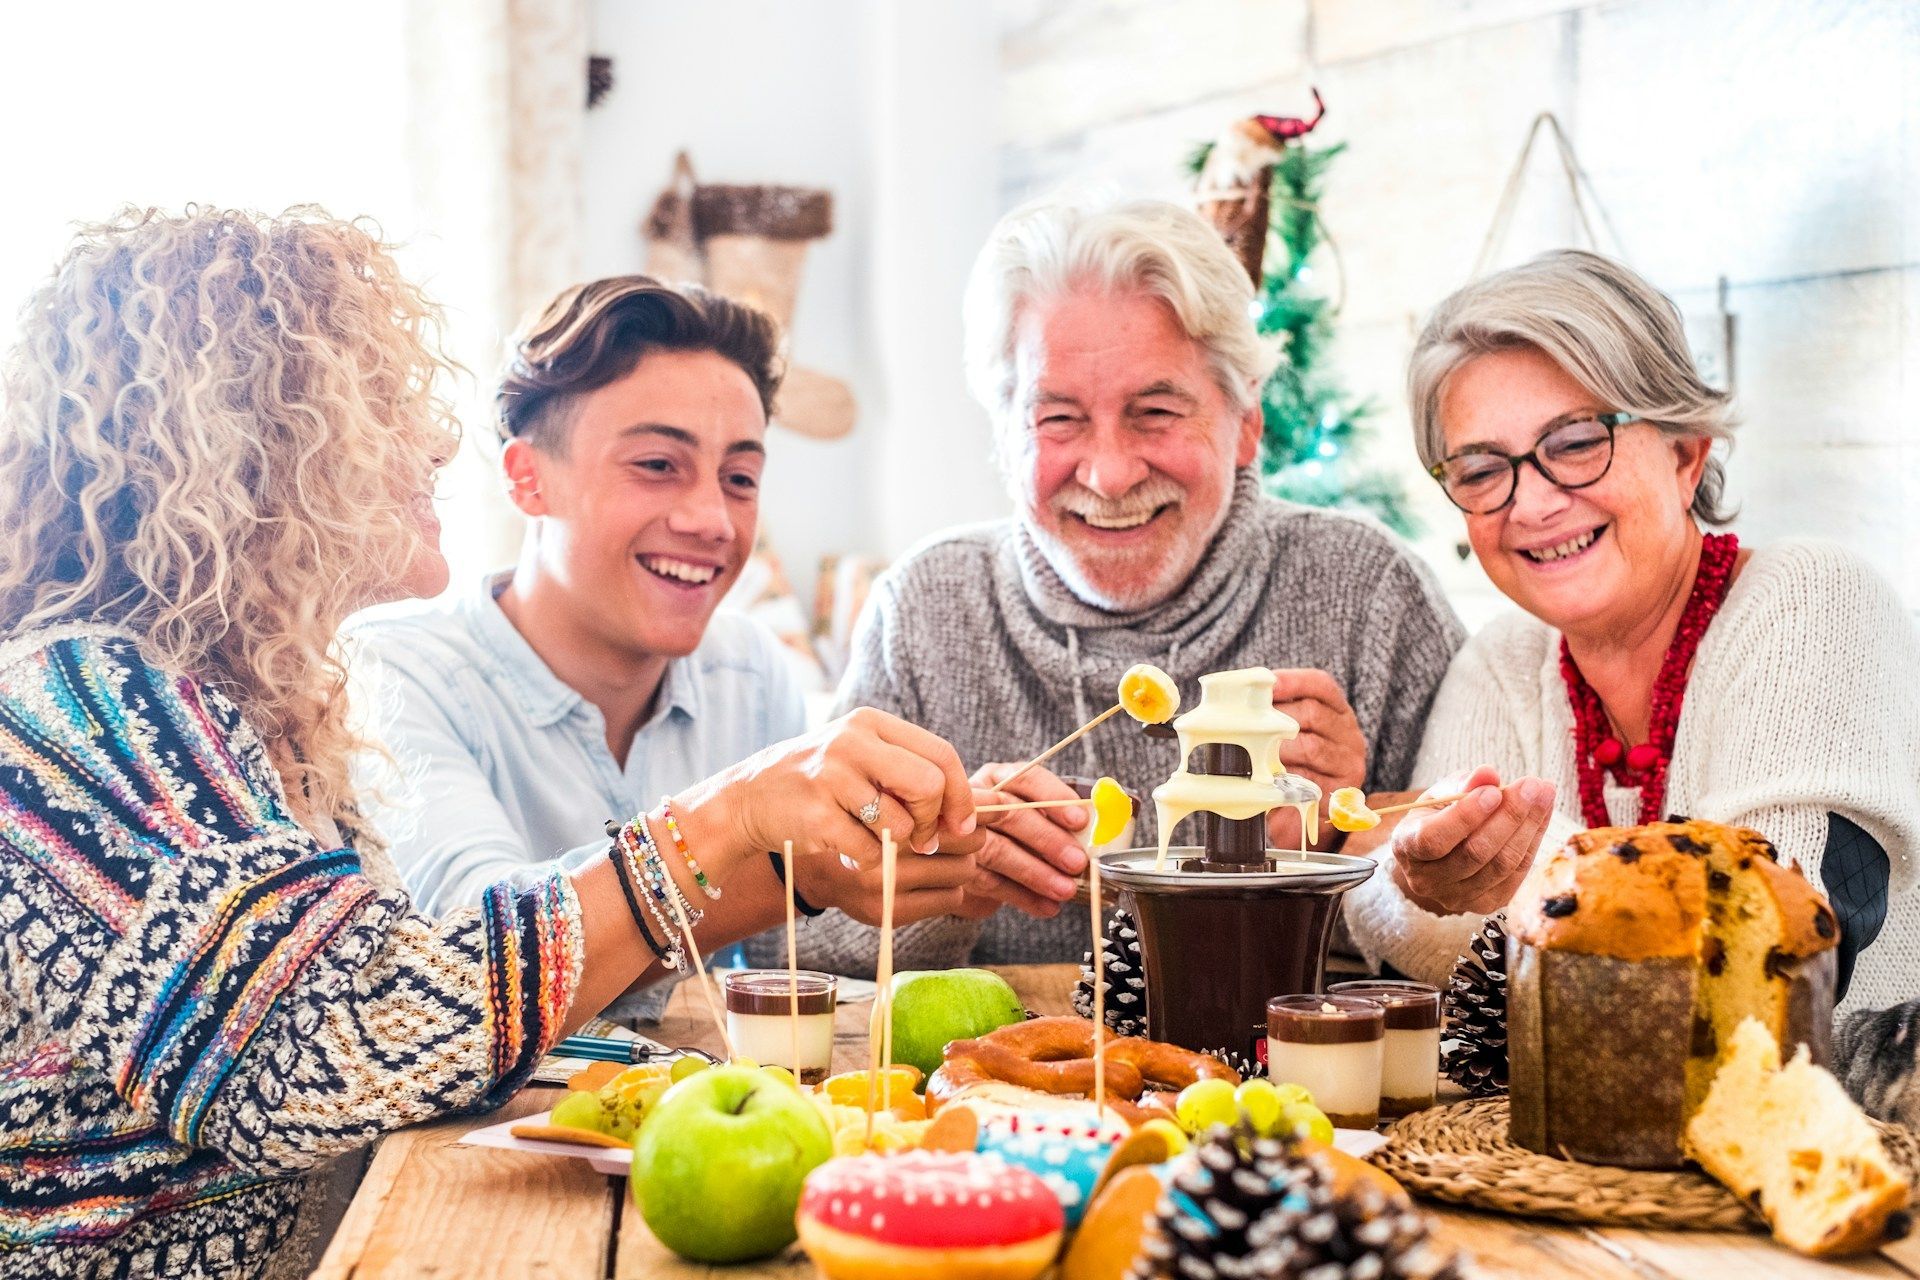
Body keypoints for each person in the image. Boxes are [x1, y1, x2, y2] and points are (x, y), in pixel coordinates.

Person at [0, 209, 984, 1279]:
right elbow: (332, 1050)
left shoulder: (244, 708)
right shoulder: (76, 707)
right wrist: (722, 819)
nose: (432, 438)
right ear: (248, 439)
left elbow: (421, 1007)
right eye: (377, 399)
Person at [780, 194, 1464, 975]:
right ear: (1004, 435)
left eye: (1155, 411)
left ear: (1246, 421)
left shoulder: (1370, 593)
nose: (1107, 475)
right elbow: (805, 952)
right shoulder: (925, 612)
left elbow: (1475, 944)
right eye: (1059, 419)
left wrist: (1347, 836)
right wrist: (944, 882)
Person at [1342, 249, 1920, 1017]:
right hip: (1545, 1138)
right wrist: (1411, 879)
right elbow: (1403, 937)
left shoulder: (1814, 602)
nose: (1534, 504)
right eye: (1482, 470)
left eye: (1577, 442)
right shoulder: (1501, 663)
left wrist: (1509, 883)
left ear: (1686, 454)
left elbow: (1772, 960)